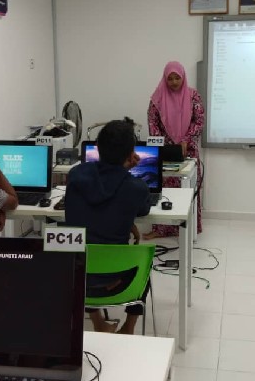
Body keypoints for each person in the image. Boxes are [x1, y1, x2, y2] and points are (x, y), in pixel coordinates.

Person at [65, 120, 150, 334]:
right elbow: (143, 209)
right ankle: (128, 328)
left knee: (86, 252)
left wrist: (121, 171)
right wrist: (125, 172)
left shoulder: (75, 175)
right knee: (144, 264)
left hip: (75, 277)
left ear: (97, 147)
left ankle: (98, 322)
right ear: (130, 154)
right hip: (119, 280)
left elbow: (101, 194)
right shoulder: (136, 188)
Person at [144, 61, 205, 239]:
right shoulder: (157, 98)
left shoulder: (193, 96)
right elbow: (153, 122)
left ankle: (189, 228)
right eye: (170, 79)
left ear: (183, 77)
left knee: (188, 189)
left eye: (177, 78)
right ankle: (162, 229)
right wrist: (164, 144)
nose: (174, 82)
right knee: (164, 190)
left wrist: (186, 140)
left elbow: (199, 121)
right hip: (167, 151)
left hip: (188, 150)